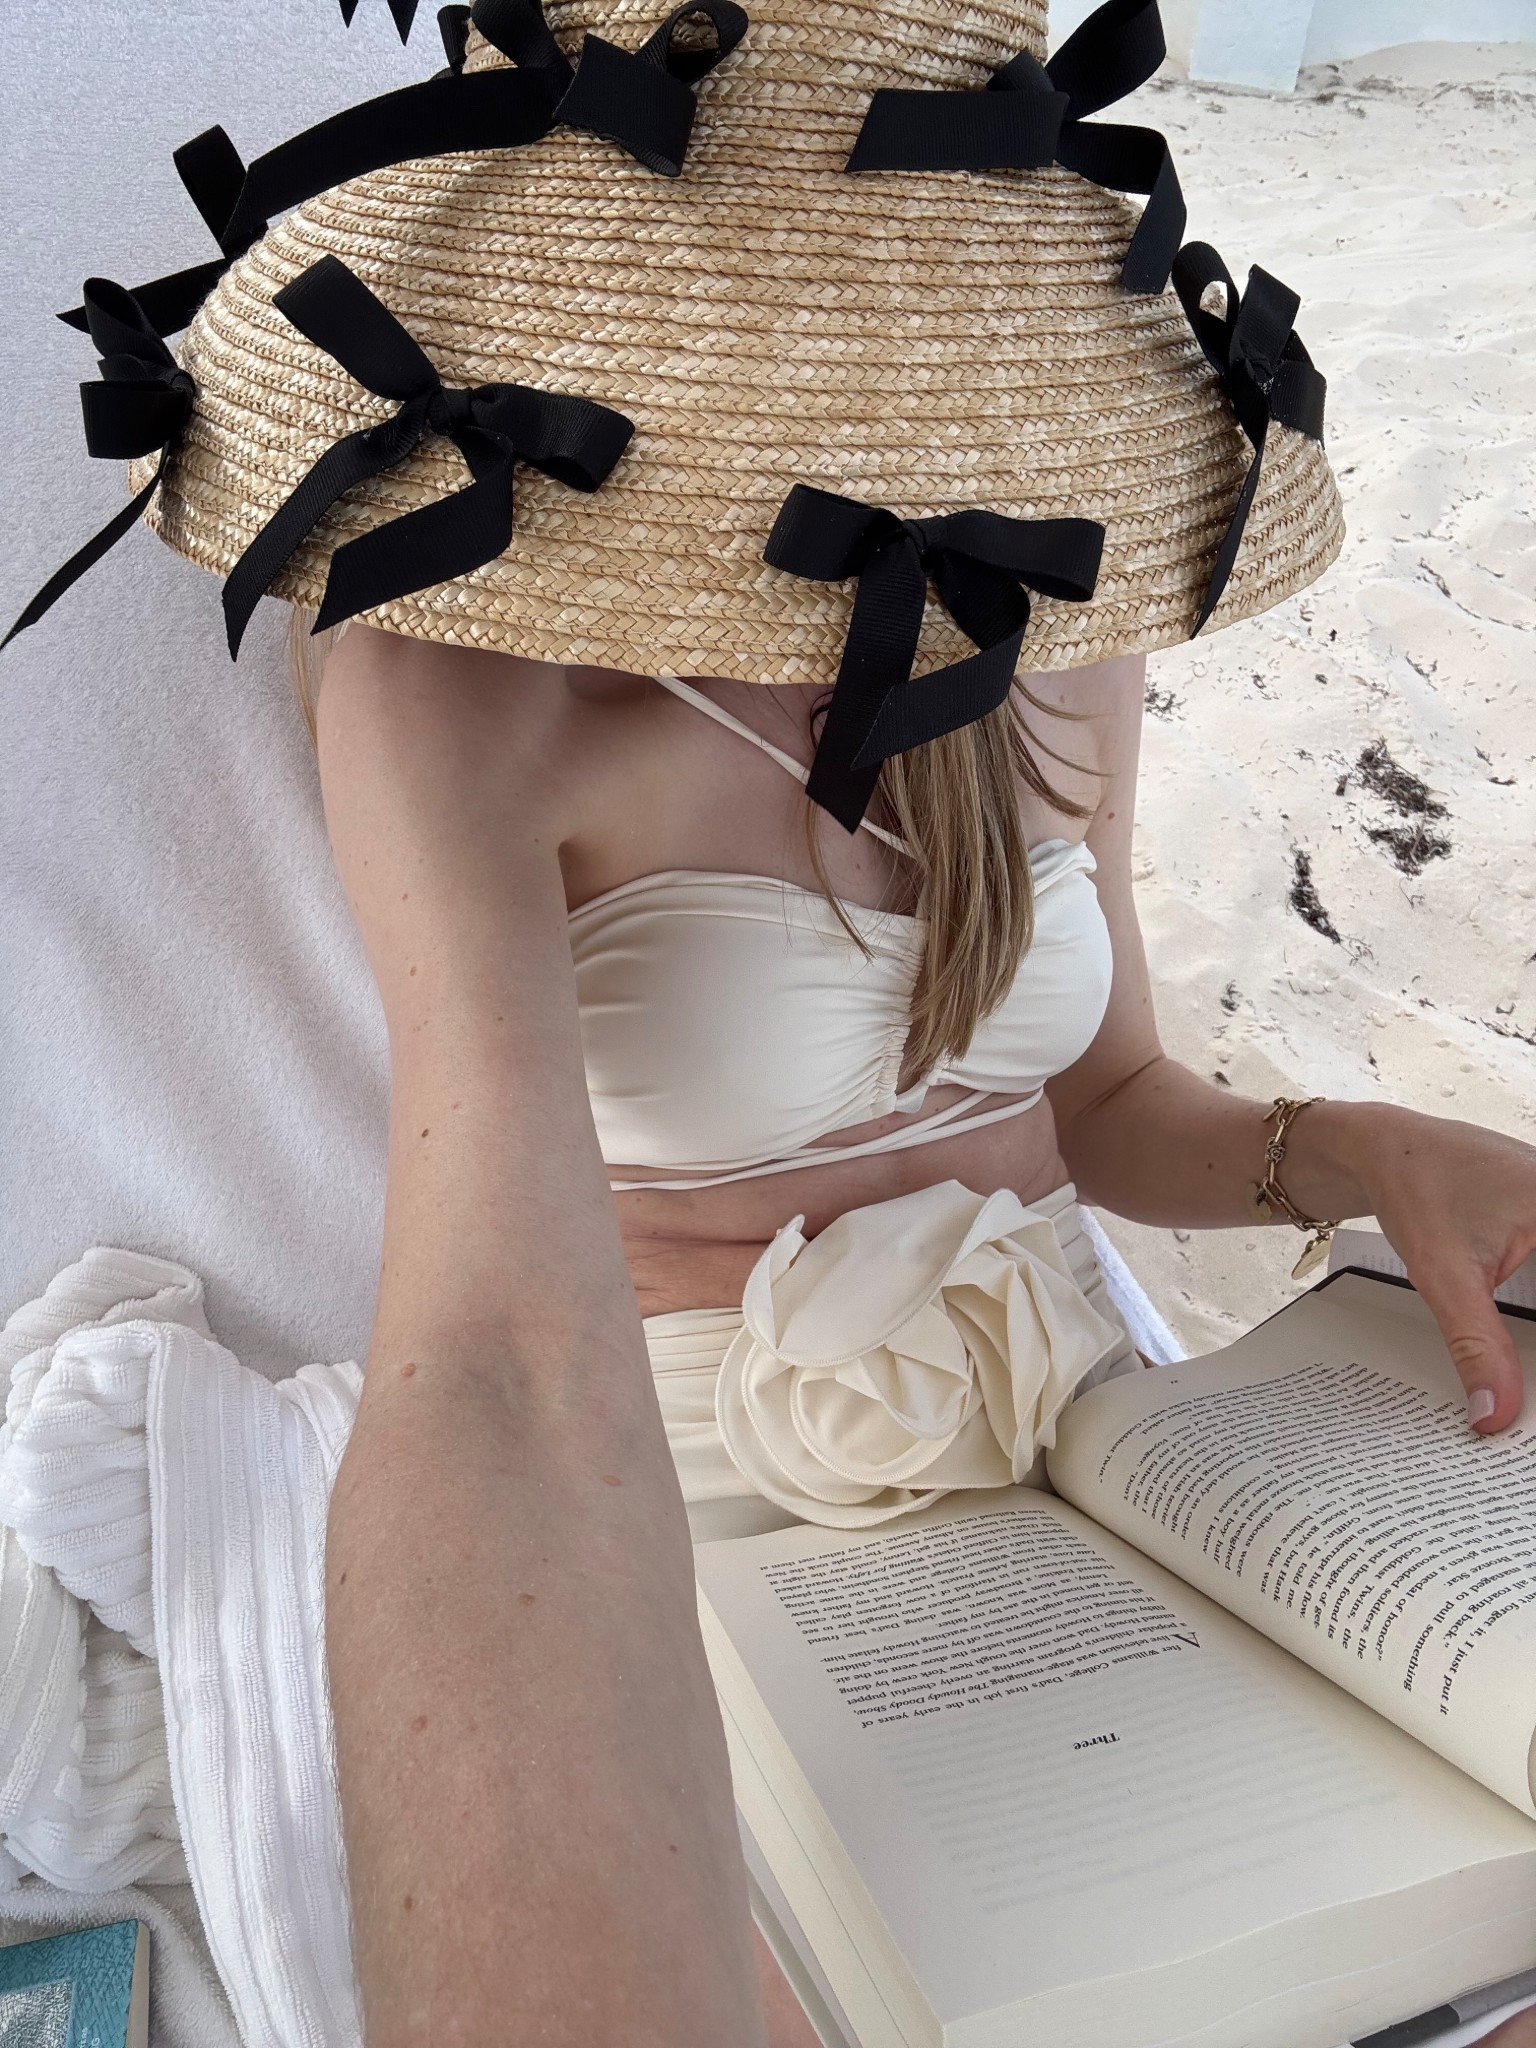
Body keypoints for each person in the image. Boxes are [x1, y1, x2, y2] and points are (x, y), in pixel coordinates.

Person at [8, 0, 1533, 2039]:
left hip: (1091, 1419)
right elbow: (497, 1355)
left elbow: (1120, 1104)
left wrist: (1345, 1152)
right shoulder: (464, 675)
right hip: (688, 1472)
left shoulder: (1049, 619)